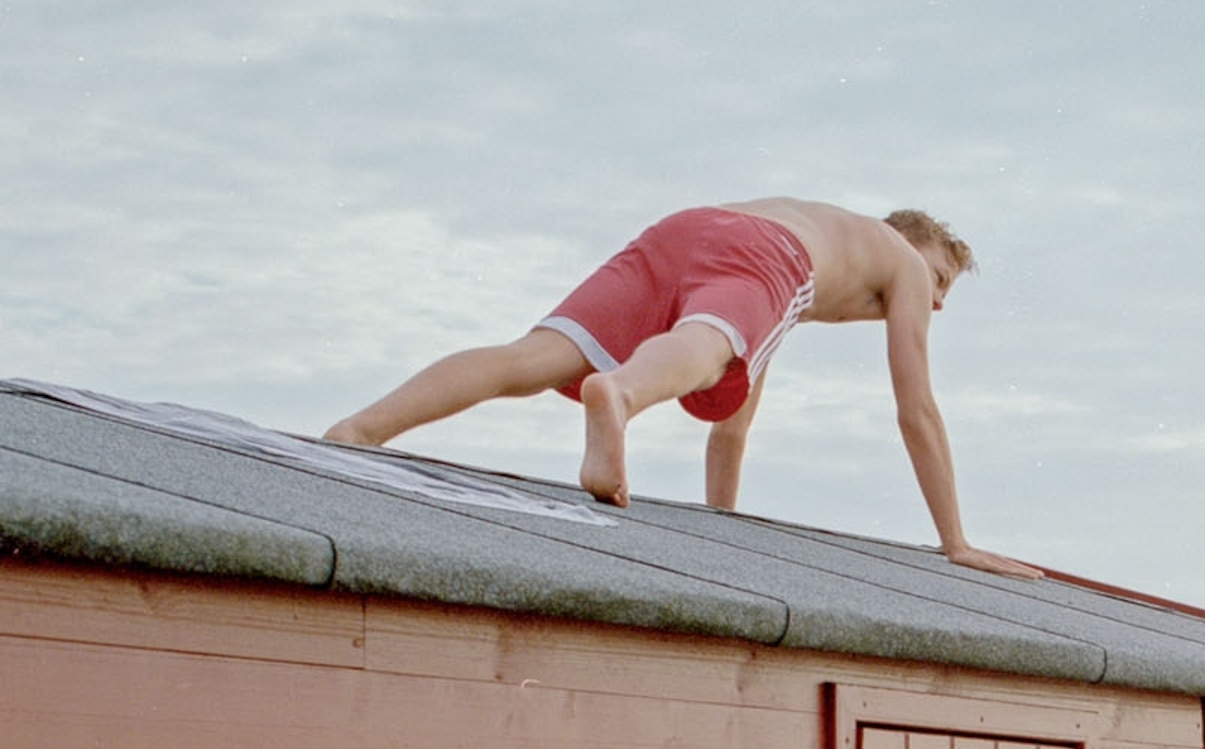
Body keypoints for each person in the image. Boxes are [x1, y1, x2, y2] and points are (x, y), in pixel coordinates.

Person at [326, 201, 1047, 572]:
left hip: (684, 229)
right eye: (944, 281)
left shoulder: (818, 242)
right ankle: (625, 394)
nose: (938, 301)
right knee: (703, 349)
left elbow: (731, 426)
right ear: (917, 248)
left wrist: (717, 530)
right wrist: (955, 541)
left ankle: (358, 431)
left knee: (535, 357)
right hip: (764, 254)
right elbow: (915, 407)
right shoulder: (899, 262)